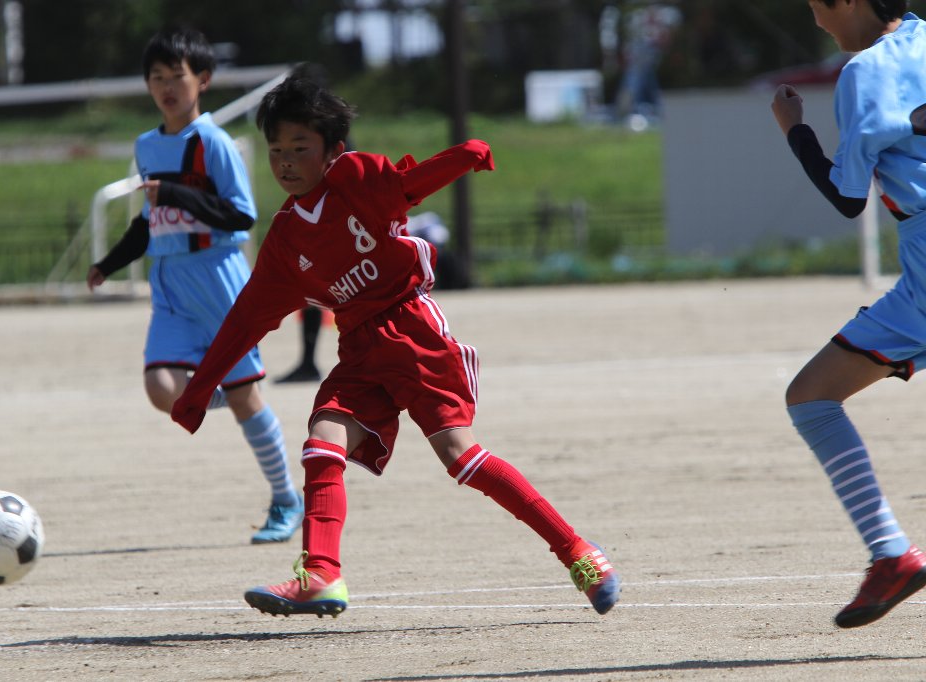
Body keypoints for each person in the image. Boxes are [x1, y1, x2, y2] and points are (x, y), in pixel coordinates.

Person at [170, 75, 622, 618]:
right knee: (322, 439)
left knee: (460, 457)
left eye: (299, 148)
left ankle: (578, 551)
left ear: (332, 151)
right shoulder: (286, 239)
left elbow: (407, 187)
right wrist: (200, 388)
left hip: (411, 332)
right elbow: (246, 318)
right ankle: (321, 574)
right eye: (276, 151)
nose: (285, 162)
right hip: (360, 349)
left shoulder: (353, 179)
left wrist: (462, 157)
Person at [86, 25, 303, 545]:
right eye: (156, 77)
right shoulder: (145, 146)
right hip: (170, 284)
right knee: (161, 388)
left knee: (247, 399)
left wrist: (176, 194)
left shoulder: (214, 143)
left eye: (176, 76)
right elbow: (151, 219)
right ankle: (224, 394)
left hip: (218, 279)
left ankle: (286, 499)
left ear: (202, 79)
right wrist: (109, 263)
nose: (166, 86)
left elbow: (241, 216)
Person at [772, 0, 926, 629]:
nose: (815, 19)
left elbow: (846, 197)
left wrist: (794, 130)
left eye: (819, 4)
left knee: (811, 397)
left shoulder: (863, 73)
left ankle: (891, 554)